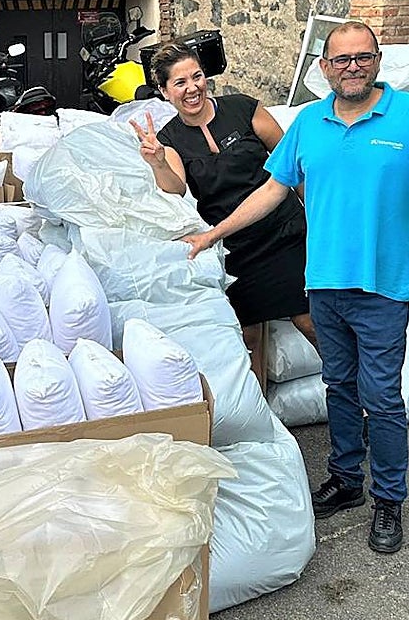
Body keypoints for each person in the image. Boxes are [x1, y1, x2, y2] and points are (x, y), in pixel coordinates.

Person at [183, 22, 409, 555]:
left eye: (362, 57)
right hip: (323, 283)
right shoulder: (310, 123)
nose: (352, 67)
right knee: (338, 386)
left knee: (382, 396)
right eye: (341, 60)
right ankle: (345, 479)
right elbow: (273, 188)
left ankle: (389, 498)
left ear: (377, 60)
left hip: (383, 286)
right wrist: (213, 234)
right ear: (324, 68)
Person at [133, 41, 319, 389]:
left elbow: (291, 165)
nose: (192, 88)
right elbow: (175, 187)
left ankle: (354, 394)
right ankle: (262, 419)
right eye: (180, 83)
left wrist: (320, 216)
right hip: (235, 247)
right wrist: (157, 160)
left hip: (286, 231)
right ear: (164, 91)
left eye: (197, 77)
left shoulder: (243, 109)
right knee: (246, 337)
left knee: (309, 320)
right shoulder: (169, 138)